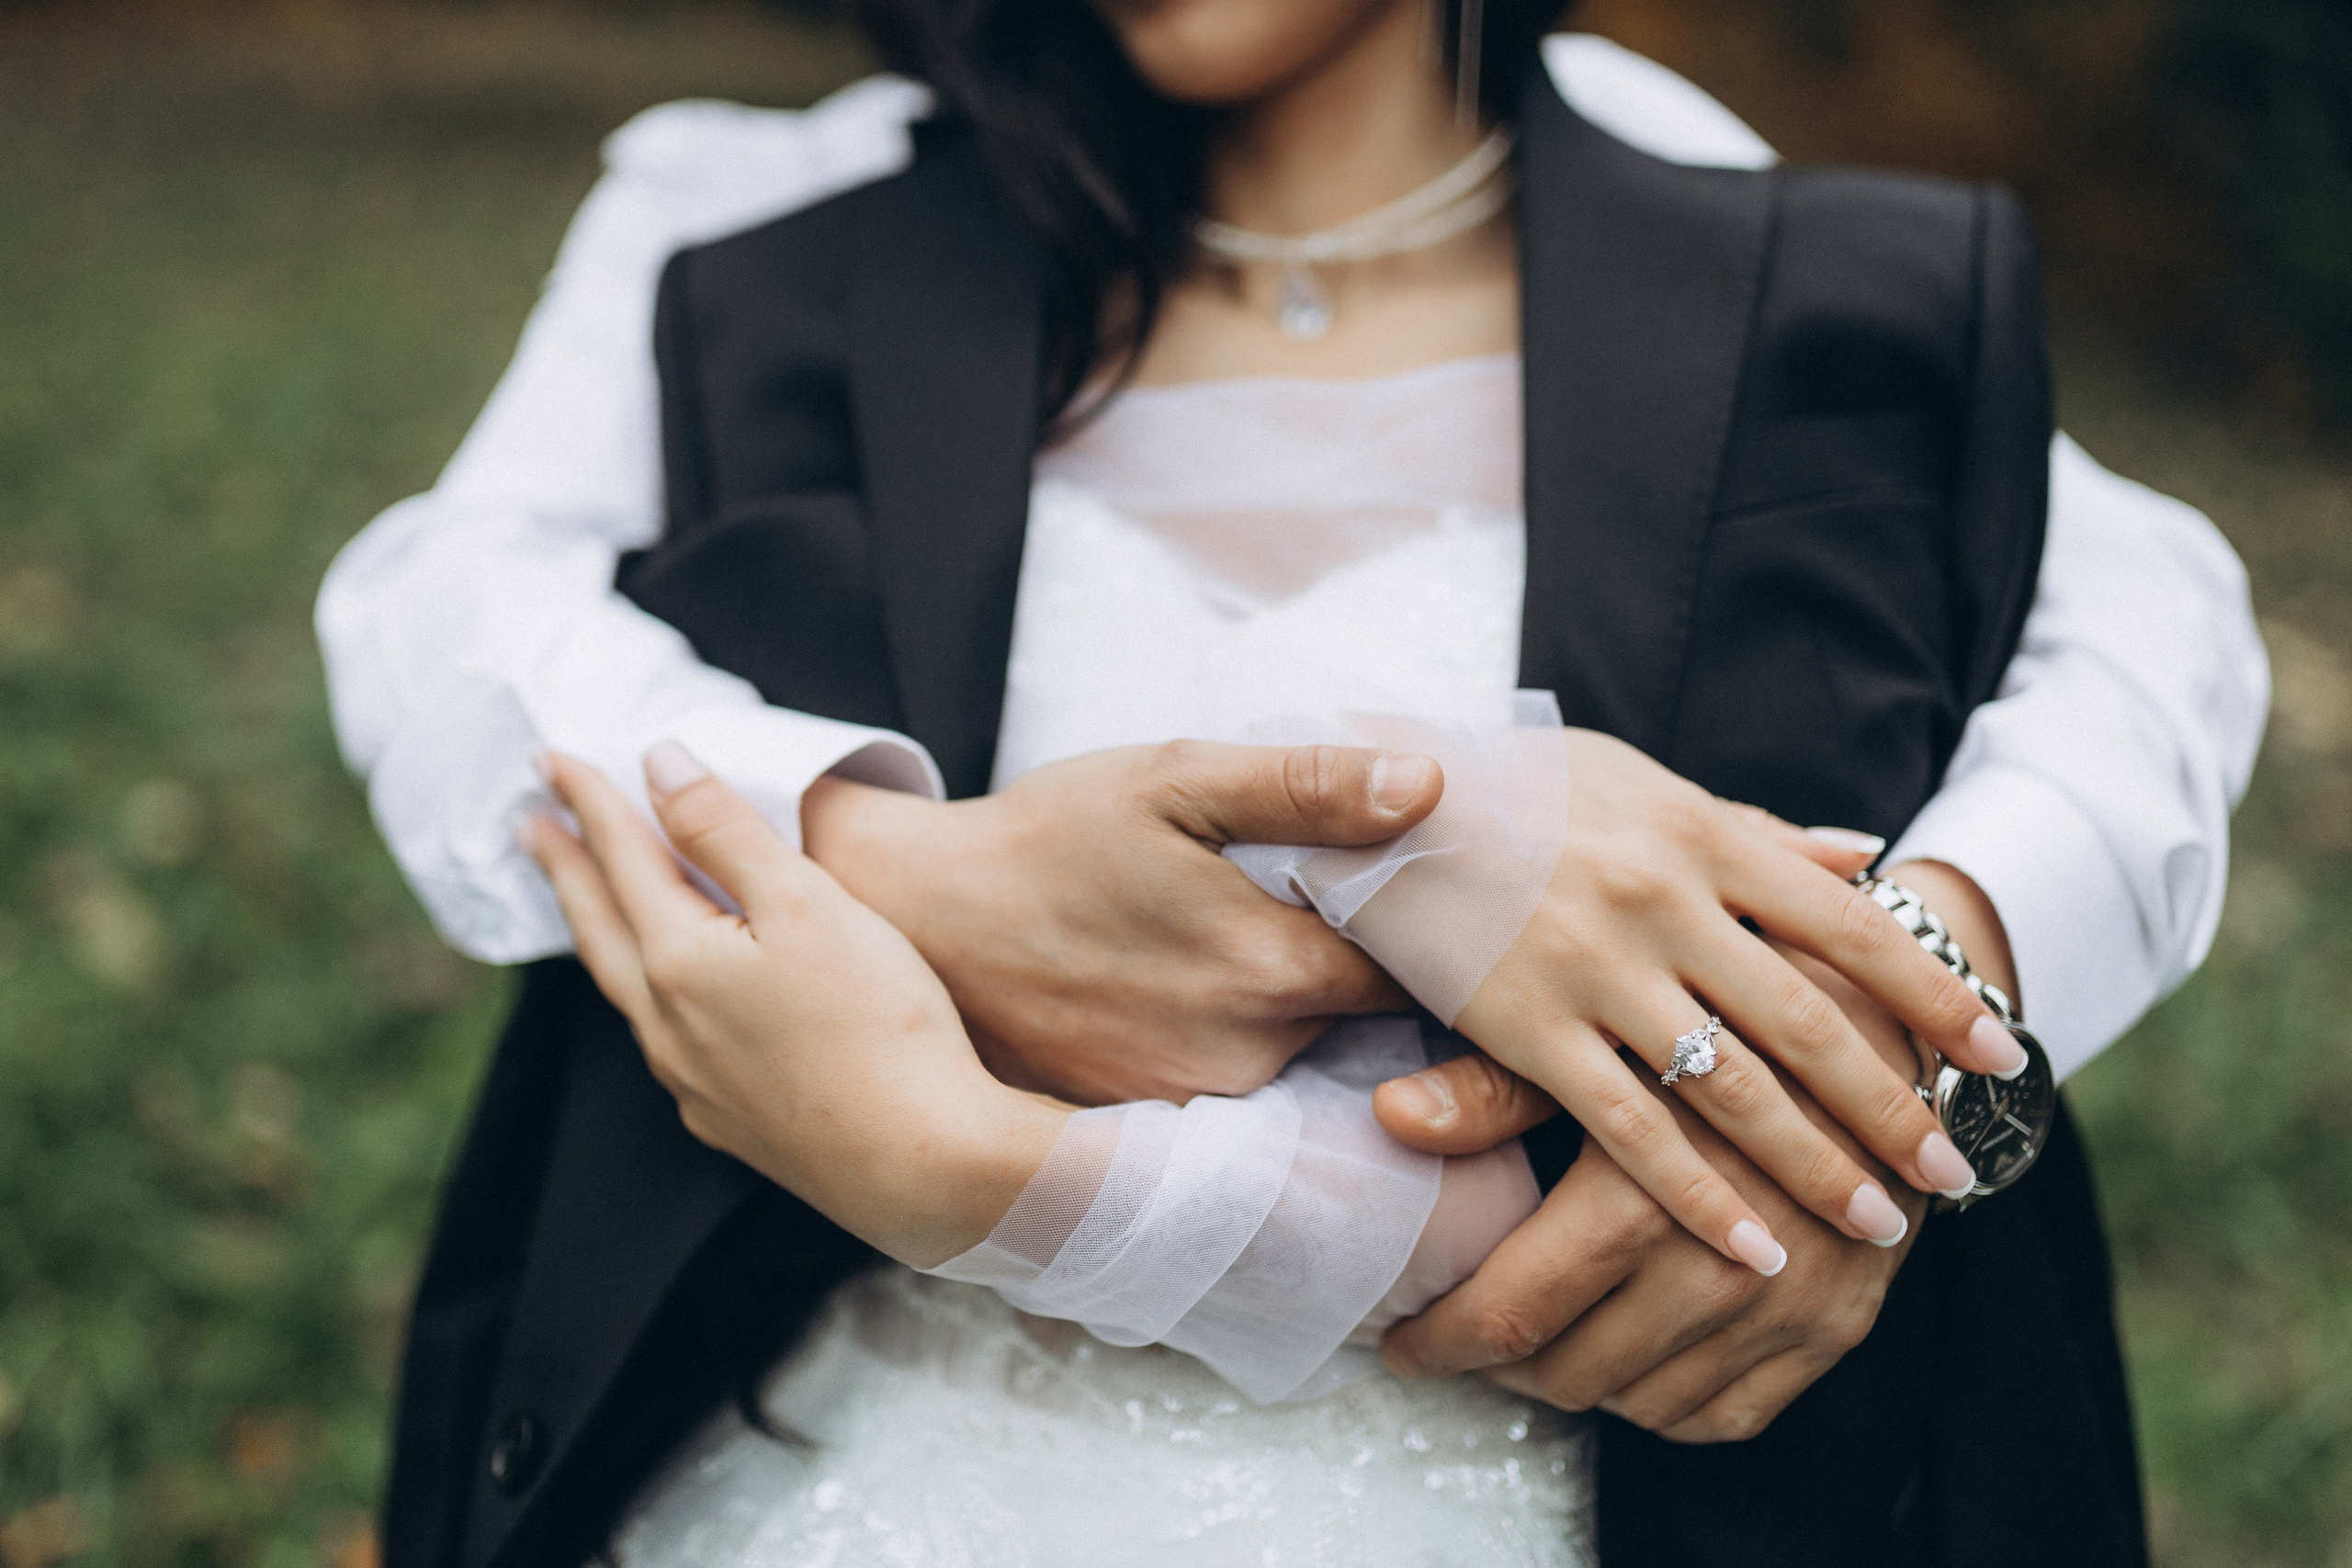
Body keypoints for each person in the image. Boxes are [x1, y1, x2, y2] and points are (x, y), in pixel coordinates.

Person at [315, 4, 2267, 1564]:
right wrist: (902, 869)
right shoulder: (761, 227)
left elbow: (2138, 615)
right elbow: (449, 613)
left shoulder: (1760, 243)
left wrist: (1870, 1038)